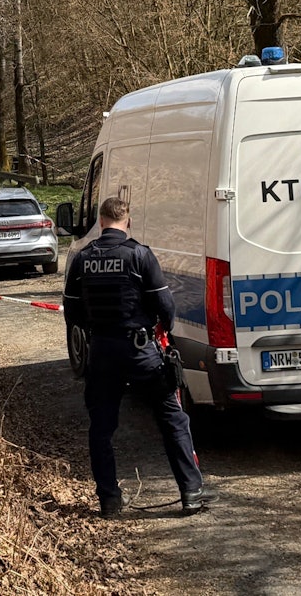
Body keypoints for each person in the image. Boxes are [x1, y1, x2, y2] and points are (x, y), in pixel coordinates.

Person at [63, 197, 214, 518]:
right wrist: (160, 330)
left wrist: (95, 329)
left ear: (101, 222)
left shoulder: (83, 258)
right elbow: (166, 308)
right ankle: (190, 492)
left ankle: (109, 499)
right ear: (127, 222)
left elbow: (72, 312)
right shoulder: (140, 255)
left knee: (101, 428)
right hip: (141, 351)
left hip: (102, 352)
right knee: (172, 419)